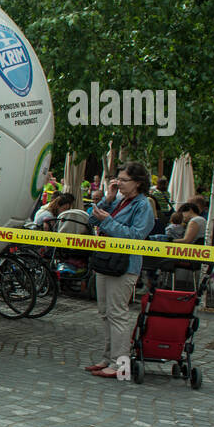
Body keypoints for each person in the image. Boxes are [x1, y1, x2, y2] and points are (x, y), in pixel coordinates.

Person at [85, 162, 155, 378]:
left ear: (138, 183)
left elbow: (135, 236)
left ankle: (120, 363)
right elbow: (91, 219)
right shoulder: (117, 201)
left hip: (124, 265)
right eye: (118, 179)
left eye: (124, 180)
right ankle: (108, 357)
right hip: (106, 261)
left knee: (117, 313)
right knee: (104, 311)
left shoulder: (143, 206)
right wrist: (106, 201)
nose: (119, 183)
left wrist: (109, 222)